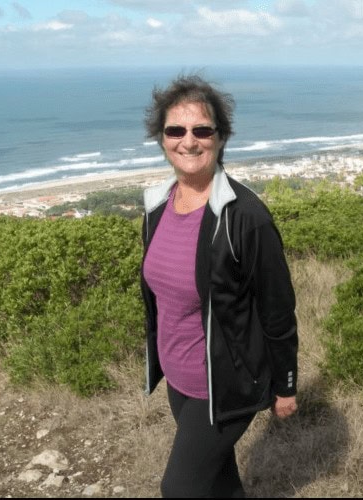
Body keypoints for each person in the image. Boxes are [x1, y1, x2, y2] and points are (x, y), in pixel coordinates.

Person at [140, 74, 299, 498]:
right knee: (220, 482)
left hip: (225, 385)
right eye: (175, 130)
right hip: (179, 379)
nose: (188, 141)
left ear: (220, 137)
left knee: (180, 488)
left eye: (201, 130)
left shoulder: (245, 217)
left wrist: (285, 385)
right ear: (162, 138)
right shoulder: (157, 206)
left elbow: (277, 309)